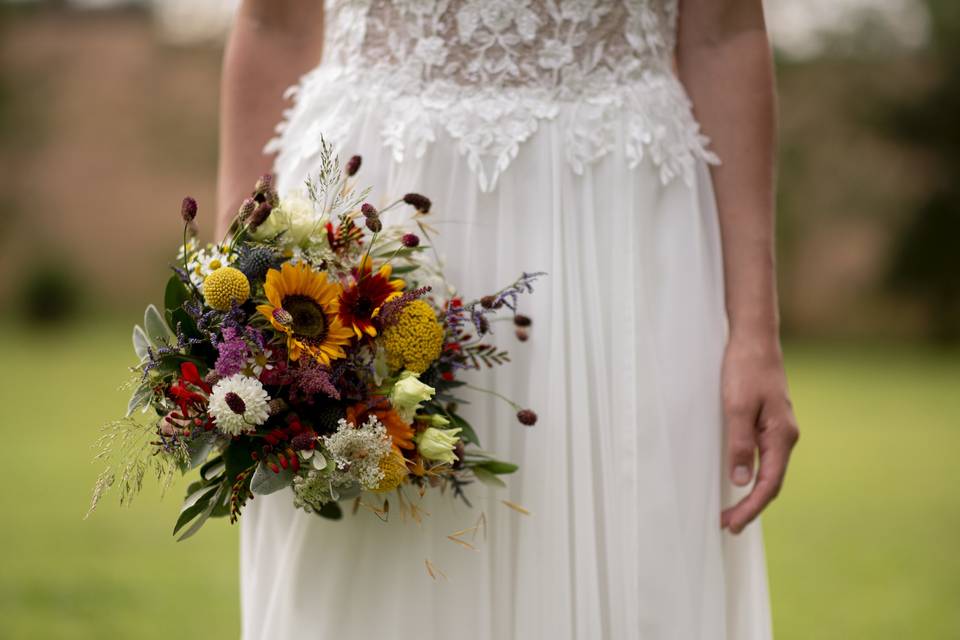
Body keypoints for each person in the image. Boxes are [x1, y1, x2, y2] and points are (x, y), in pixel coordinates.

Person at [217, 1, 800, 638]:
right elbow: (273, 23)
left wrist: (754, 332)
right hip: (372, 201)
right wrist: (233, 288)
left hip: (620, 226)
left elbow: (728, 33)